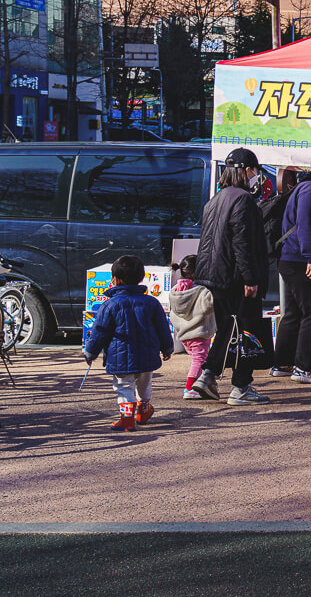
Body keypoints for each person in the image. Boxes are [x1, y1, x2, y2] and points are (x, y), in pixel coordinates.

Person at [191, 147, 273, 406]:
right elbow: (243, 243)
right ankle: (240, 386)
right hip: (236, 277)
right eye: (253, 171)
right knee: (246, 330)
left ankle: (208, 375)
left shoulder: (216, 198)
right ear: (247, 170)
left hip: (215, 275)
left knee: (229, 328)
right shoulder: (243, 200)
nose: (255, 176)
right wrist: (250, 279)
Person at [84, 255, 175, 431]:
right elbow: (163, 328)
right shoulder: (151, 302)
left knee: (124, 386)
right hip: (148, 355)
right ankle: (143, 409)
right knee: (145, 384)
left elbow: (99, 332)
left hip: (121, 357)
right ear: (141, 278)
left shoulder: (110, 305)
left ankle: (127, 419)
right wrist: (167, 347)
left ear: (114, 280)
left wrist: (90, 352)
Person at [270, 169, 311, 383]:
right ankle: (304, 368)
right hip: (301, 258)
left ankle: (283, 363)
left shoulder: (305, 187)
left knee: (294, 313)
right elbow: (307, 224)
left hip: (291, 257)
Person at [168, 255, 215, 400]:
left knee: (200, 359)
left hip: (184, 334)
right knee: (199, 360)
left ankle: (202, 384)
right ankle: (189, 388)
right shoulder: (201, 291)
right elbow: (209, 306)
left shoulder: (175, 290)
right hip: (199, 332)